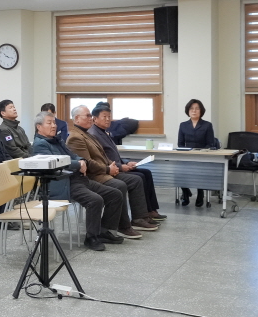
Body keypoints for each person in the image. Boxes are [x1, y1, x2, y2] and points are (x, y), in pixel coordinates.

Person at [31, 111, 127, 251]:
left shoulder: (57, 140)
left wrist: (80, 161)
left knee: (115, 194)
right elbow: (56, 163)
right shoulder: (40, 145)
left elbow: (73, 155)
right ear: (39, 127)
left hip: (77, 179)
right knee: (95, 200)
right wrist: (78, 164)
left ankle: (104, 231)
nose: (53, 126)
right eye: (49, 123)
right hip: (63, 183)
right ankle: (91, 237)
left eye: (54, 122)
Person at [66, 105, 152, 239]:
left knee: (136, 178)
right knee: (121, 185)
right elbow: (87, 162)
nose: (91, 118)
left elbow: (103, 155)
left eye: (90, 115)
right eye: (88, 116)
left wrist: (113, 165)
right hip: (93, 176)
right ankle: (122, 226)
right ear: (77, 118)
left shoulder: (88, 133)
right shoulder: (75, 137)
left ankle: (126, 222)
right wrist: (108, 169)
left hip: (103, 171)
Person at [90, 105, 166, 221]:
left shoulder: (105, 132)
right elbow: (103, 159)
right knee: (139, 177)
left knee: (146, 173)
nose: (107, 119)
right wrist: (121, 167)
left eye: (109, 116)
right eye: (104, 116)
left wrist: (127, 163)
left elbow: (114, 154)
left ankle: (151, 210)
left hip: (118, 165)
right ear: (95, 119)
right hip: (109, 170)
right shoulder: (94, 134)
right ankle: (140, 216)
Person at [177, 99, 217, 207]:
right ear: (188, 111)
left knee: (200, 171)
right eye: (191, 109)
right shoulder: (183, 125)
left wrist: (201, 151)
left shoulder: (207, 125)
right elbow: (180, 144)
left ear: (201, 111)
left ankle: (200, 193)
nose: (194, 111)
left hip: (201, 156)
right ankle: (185, 193)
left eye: (197, 108)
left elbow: (210, 144)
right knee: (178, 171)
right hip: (187, 156)